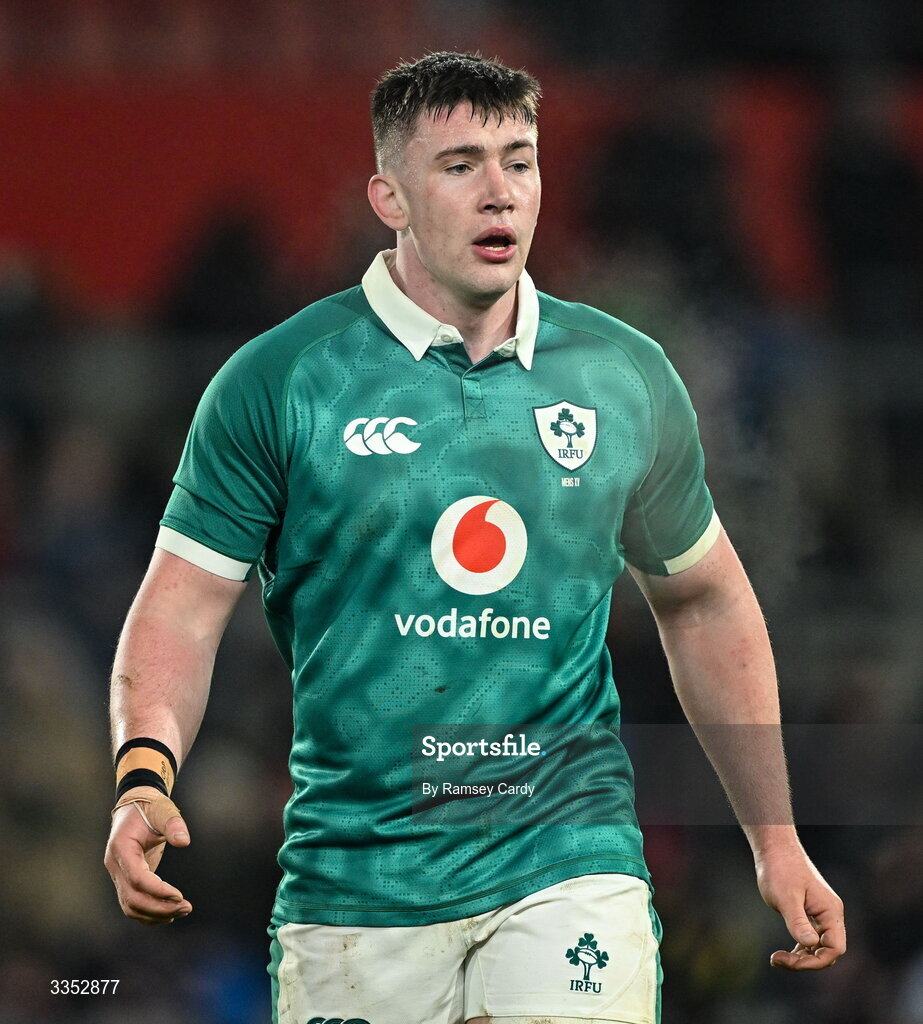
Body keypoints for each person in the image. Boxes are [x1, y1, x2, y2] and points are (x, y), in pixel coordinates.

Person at [104, 51, 846, 1024]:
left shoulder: (620, 376)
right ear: (390, 195)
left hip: (567, 859)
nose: (499, 192)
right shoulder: (280, 381)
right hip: (355, 887)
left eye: (519, 160)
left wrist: (773, 835)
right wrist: (140, 776)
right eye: (459, 164)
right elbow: (183, 605)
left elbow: (701, 596)